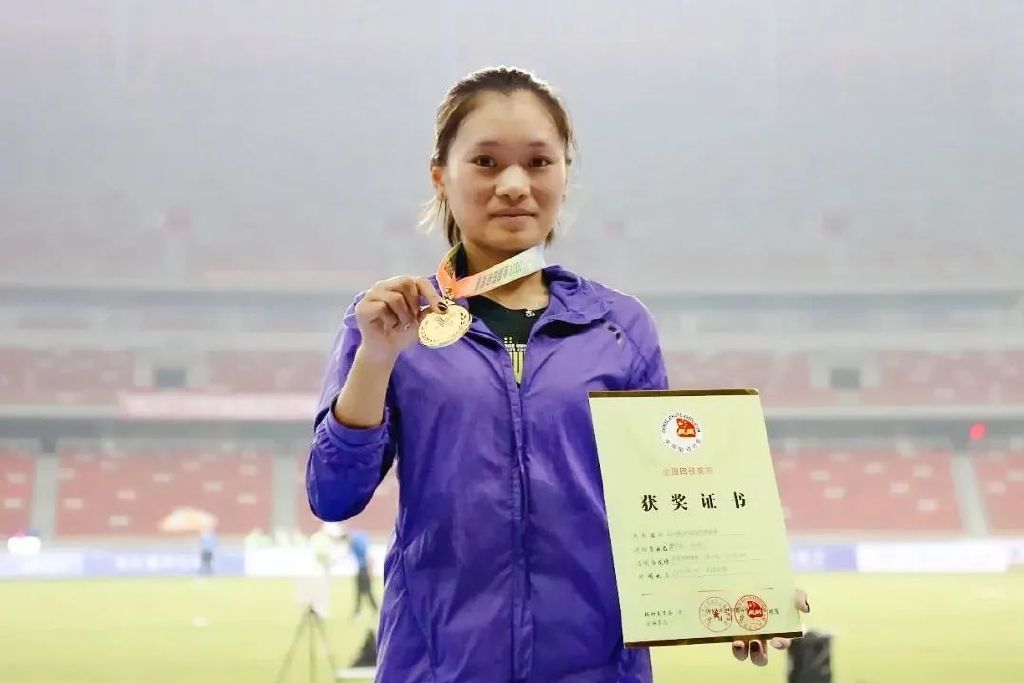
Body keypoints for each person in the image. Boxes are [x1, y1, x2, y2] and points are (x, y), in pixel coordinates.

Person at [306, 66, 810, 682]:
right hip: (439, 670)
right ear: (441, 176)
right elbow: (334, 496)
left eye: (538, 162)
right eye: (487, 162)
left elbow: (667, 494)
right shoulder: (388, 321)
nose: (514, 184)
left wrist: (744, 589)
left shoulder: (620, 327)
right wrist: (378, 359)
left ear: (565, 176)